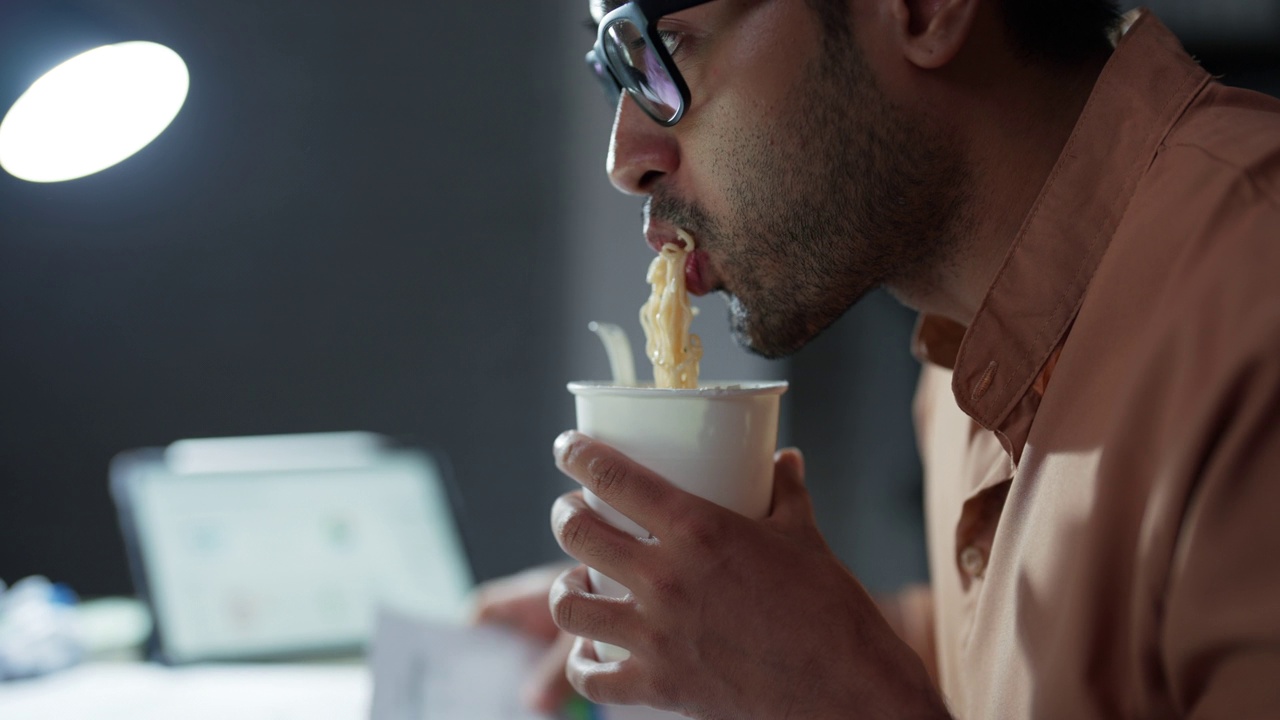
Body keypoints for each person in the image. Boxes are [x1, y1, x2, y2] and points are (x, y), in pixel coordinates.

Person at [475, 0, 1280, 716]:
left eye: (666, 47)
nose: (626, 156)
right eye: (612, 68)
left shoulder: (1252, 302)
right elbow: (1016, 673)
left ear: (924, 11)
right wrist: (712, 626)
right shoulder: (965, 341)